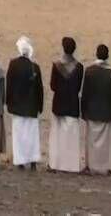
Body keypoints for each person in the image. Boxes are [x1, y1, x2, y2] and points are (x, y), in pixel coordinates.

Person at [6, 36, 44, 170]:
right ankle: (32, 161)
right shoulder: (35, 67)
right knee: (32, 135)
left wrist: (8, 103)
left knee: (19, 135)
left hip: (17, 107)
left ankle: (20, 161)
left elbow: (9, 85)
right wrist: (40, 106)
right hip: (32, 107)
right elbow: (40, 89)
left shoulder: (13, 64)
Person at [81, 44, 111, 175]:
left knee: (90, 141)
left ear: (96, 54)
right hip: (106, 112)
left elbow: (85, 93)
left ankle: (90, 165)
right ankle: (103, 167)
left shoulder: (89, 71)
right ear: (107, 56)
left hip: (91, 111)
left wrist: (83, 110)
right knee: (105, 143)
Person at [48, 37, 84, 173]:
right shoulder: (79, 67)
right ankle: (71, 165)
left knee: (57, 137)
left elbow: (52, 86)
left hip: (59, 104)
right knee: (71, 137)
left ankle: (55, 163)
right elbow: (78, 87)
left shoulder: (57, 66)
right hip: (72, 105)